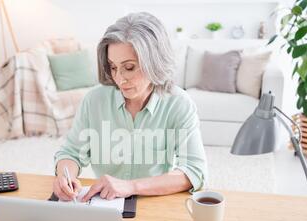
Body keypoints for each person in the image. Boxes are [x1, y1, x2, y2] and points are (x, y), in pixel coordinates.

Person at [53, 12, 207, 202]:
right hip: (105, 204)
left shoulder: (179, 103)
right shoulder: (94, 100)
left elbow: (194, 171)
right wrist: (64, 177)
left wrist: (131, 186)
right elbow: (71, 153)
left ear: (154, 62)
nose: (119, 78)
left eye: (129, 67)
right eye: (113, 67)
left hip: (152, 202)